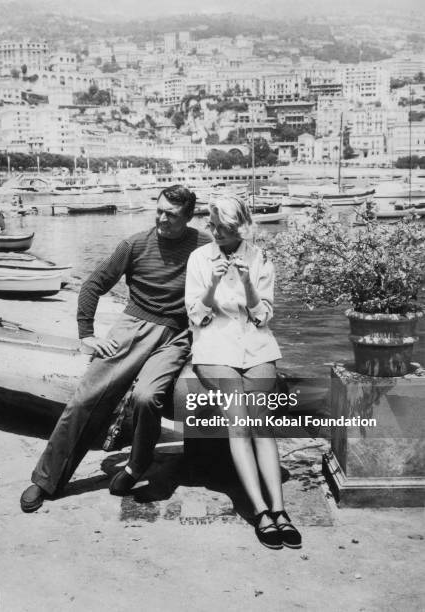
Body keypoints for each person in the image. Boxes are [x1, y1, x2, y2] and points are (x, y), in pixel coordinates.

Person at [20, 185, 210, 512]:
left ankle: (136, 465)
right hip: (132, 327)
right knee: (85, 398)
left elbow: (235, 275)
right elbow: (93, 284)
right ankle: (45, 480)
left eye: (172, 215)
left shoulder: (204, 245)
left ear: (189, 217)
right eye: (159, 210)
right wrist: (87, 334)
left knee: (147, 398)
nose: (162, 219)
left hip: (176, 335)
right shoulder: (133, 244)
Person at [185, 194, 302, 549]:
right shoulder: (199, 258)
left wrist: (249, 284)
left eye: (225, 228)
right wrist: (213, 286)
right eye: (214, 226)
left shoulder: (261, 258)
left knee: (262, 426)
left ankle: (281, 511)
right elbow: (196, 315)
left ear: (241, 227)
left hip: (256, 349)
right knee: (240, 424)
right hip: (214, 350)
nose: (217, 233)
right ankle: (261, 512)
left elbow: (263, 316)